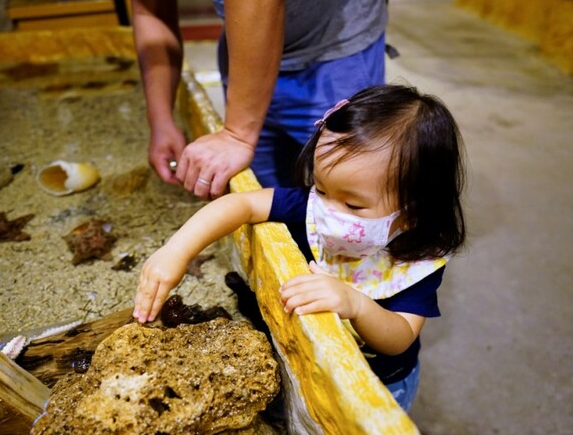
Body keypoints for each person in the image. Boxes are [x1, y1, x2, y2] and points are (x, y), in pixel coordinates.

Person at [133, 84, 466, 411]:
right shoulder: (310, 208)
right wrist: (176, 250)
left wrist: (356, 304)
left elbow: (401, 337)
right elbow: (241, 205)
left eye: (353, 204)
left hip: (380, 385)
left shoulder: (417, 262)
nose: (327, 210)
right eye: (321, 189)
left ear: (412, 213)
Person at [130, 0, 388, 199]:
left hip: (335, 52)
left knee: (356, 189)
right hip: (245, 50)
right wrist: (161, 119)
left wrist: (237, 134)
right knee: (264, 189)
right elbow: (150, 9)